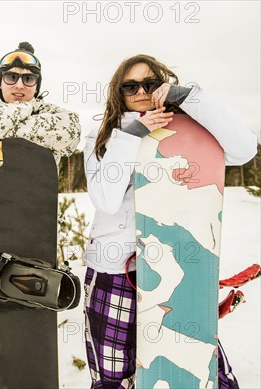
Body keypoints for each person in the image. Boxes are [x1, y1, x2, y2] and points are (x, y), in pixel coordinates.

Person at [82, 53, 257, 389]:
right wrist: (132, 135)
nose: (141, 92)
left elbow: (244, 149)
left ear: (164, 83)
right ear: (118, 93)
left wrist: (189, 98)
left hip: (177, 269)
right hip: (115, 269)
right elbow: (105, 199)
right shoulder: (103, 136)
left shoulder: (191, 127)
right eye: (130, 86)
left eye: (150, 83)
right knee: (113, 371)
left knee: (190, 364)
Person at [0, 41, 81, 388]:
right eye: (11, 77)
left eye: (28, 78)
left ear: (38, 84)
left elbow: (69, 133)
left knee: (32, 332)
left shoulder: (57, 116)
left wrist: (3, 127)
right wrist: (27, 117)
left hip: (37, 241)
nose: (20, 85)